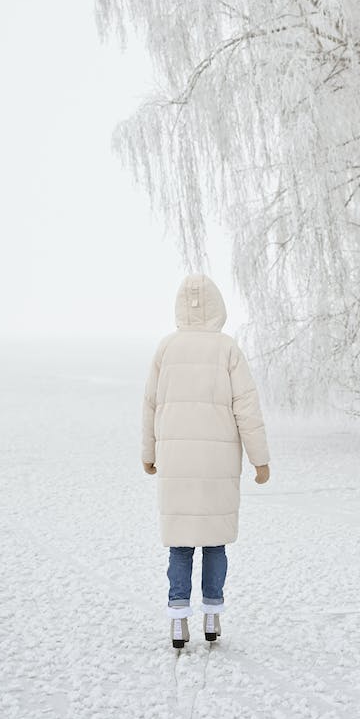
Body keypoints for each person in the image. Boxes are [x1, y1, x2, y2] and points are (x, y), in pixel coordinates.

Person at [141, 273, 271, 648]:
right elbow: (247, 408)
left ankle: (178, 620)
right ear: (217, 307)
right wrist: (260, 460)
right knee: (214, 544)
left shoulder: (166, 349)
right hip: (217, 468)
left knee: (180, 545)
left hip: (176, 466)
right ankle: (212, 615)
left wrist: (149, 453)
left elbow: (149, 406)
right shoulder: (228, 349)